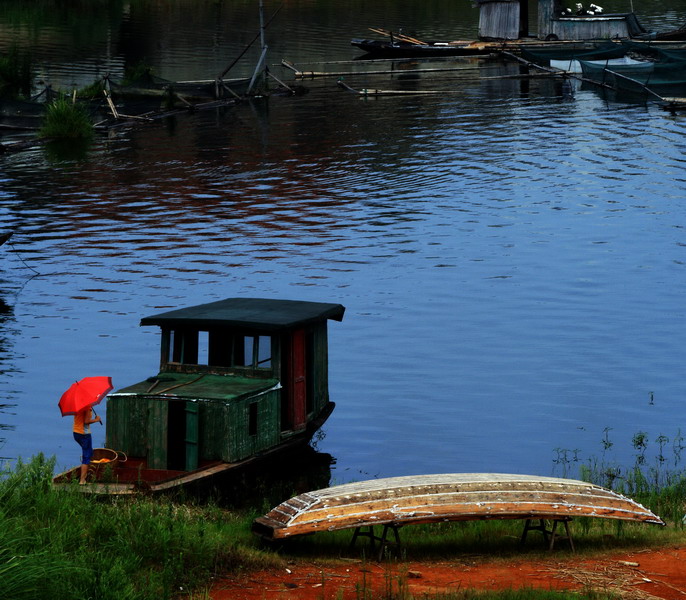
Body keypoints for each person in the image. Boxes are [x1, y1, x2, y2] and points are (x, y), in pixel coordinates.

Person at [73, 406, 102, 484]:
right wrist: (96, 420)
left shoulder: (78, 407)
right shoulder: (87, 407)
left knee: (88, 452)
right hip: (84, 434)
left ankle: (85, 477)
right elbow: (86, 421)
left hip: (76, 433)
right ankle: (82, 481)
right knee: (87, 456)